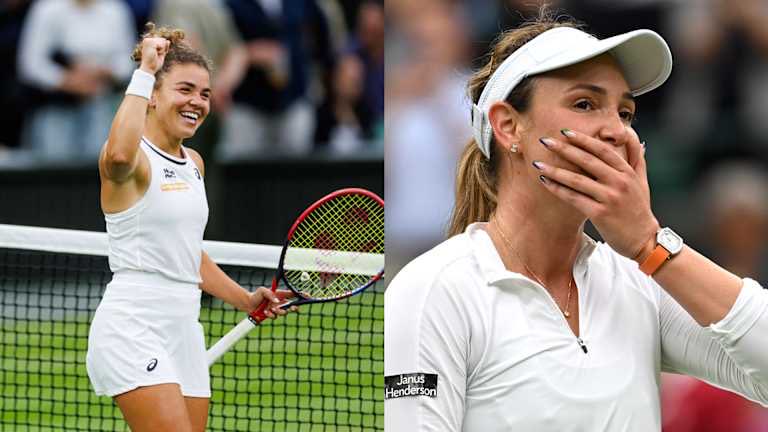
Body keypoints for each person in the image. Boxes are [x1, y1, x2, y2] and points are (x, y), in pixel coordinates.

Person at [384, 12, 768, 432]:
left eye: (625, 112)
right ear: (508, 126)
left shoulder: (641, 281)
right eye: (585, 104)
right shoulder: (434, 291)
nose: (616, 131)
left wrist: (651, 245)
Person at [85, 24, 295, 432]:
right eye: (184, 90)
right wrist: (145, 71)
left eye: (204, 94)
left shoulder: (194, 163)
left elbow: (186, 253)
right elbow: (117, 155)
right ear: (152, 97)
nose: (197, 102)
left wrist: (244, 299)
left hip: (184, 327)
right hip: (133, 325)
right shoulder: (131, 162)